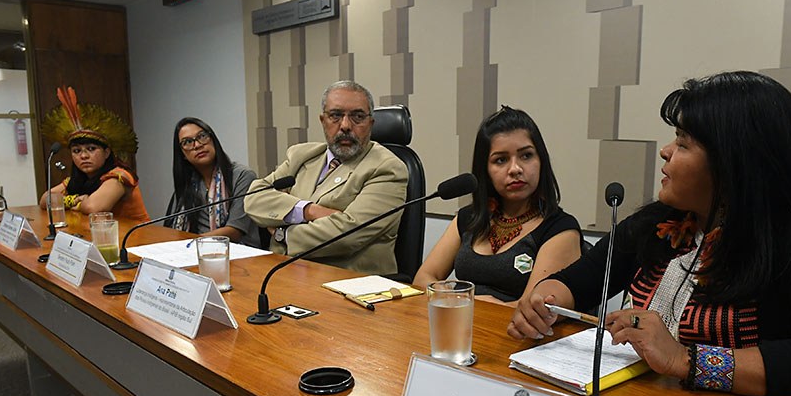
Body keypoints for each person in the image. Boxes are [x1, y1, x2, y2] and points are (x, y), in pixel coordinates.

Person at [508, 71, 791, 396]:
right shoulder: (660, 222)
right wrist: (543, 299)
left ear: (734, 162)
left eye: (684, 143)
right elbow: (580, 280)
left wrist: (684, 359)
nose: (666, 151)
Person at [413, 106, 583, 305]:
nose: (515, 169)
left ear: (541, 161)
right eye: (501, 160)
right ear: (484, 169)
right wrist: (457, 298)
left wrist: (462, 301)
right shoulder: (469, 218)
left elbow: (531, 313)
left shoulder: (560, 229)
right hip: (461, 328)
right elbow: (422, 280)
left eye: (526, 156)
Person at [244, 80, 408, 274]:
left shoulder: (388, 168)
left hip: (350, 284)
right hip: (287, 272)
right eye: (336, 116)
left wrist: (282, 234)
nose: (345, 125)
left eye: (357, 117)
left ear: (370, 123)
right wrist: (308, 210)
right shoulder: (302, 155)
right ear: (323, 120)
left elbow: (348, 234)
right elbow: (254, 197)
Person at [40, 86, 149, 221]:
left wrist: (80, 202)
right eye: (76, 151)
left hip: (138, 238)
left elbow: (93, 207)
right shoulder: (79, 178)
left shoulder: (118, 176)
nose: (84, 156)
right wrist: (75, 200)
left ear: (107, 152)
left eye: (91, 149)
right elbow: (45, 200)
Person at [164, 117, 261, 248]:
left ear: (213, 139)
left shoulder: (242, 175)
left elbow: (235, 231)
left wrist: (191, 242)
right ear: (182, 155)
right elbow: (172, 229)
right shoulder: (187, 184)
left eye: (202, 136)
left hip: (239, 253)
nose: (197, 145)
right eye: (187, 142)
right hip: (195, 253)